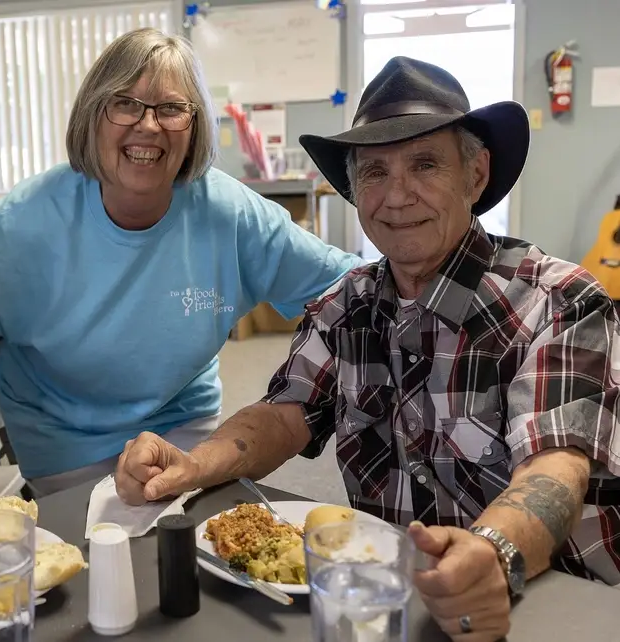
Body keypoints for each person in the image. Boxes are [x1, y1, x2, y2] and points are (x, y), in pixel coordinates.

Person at [115, 57, 620, 642]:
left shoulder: (557, 300)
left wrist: (494, 552)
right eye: (375, 173)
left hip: (552, 591)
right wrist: (192, 465)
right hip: (388, 597)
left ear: (475, 175)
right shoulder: (346, 303)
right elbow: (284, 416)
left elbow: (555, 469)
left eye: (425, 164)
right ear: (353, 191)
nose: (397, 196)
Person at [0, 27, 361, 495]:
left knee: (201, 556)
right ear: (92, 115)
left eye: (171, 109)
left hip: (184, 431)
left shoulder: (231, 214)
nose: (148, 125)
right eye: (125, 103)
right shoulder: (16, 228)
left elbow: (350, 288)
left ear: (195, 125)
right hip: (67, 448)